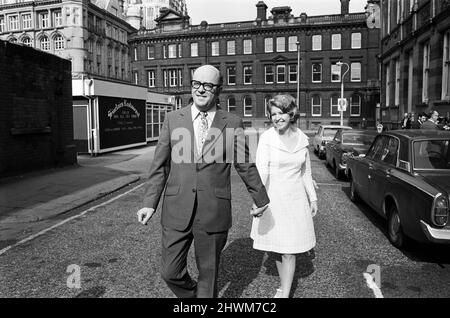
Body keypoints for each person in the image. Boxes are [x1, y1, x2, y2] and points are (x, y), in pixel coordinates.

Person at [136, 65, 270, 298]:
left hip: (213, 209)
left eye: (208, 85)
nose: (200, 90)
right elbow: (160, 165)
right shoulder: (172, 119)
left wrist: (261, 199)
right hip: (177, 208)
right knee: (170, 272)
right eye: (196, 84)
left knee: (209, 275)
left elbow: (244, 164)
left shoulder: (232, 122)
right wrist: (149, 202)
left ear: (218, 90)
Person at [250, 94, 318, 298]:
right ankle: (284, 286)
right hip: (274, 200)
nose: (277, 118)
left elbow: (306, 172)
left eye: (281, 113)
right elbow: (261, 172)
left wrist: (312, 198)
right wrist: (258, 202)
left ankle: (285, 293)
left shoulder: (302, 138)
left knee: (289, 251)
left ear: (291, 114)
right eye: (273, 114)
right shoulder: (267, 138)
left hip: (296, 200)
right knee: (279, 248)